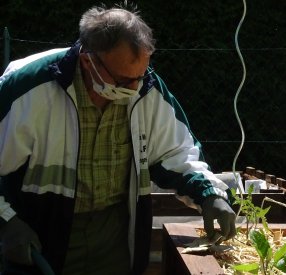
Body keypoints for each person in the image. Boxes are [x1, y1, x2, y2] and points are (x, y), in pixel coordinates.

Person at [0, 2, 236, 274]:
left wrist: (210, 194)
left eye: (141, 75)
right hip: (40, 232)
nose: (136, 88)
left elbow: (177, 153)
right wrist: (7, 222)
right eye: (125, 81)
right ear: (89, 61)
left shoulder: (147, 87)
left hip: (114, 235)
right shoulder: (28, 86)